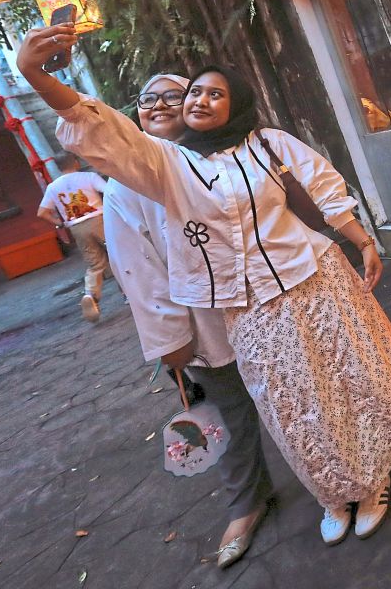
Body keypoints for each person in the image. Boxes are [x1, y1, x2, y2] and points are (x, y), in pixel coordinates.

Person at [17, 25, 391, 546]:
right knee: (289, 406)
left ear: (236, 105)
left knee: (343, 385)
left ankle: (372, 482)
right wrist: (32, 74)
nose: (199, 100)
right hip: (247, 308)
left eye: (214, 92)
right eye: (193, 93)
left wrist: (363, 240)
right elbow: (102, 130)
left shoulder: (269, 143)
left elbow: (323, 185)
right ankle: (331, 492)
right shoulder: (168, 165)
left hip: (313, 280)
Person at [103, 73, 273, 568]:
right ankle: (247, 502)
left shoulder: (229, 154)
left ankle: (339, 473)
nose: (157, 105)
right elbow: (137, 266)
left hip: (265, 303)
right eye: (146, 98)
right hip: (201, 322)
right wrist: (170, 338)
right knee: (230, 413)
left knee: (300, 395)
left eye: (171, 96)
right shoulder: (125, 182)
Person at [37, 153, 109, 322]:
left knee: (95, 264)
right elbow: (110, 192)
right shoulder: (88, 176)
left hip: (76, 227)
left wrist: (59, 224)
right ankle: (129, 294)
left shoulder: (53, 187)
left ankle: (91, 295)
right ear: (76, 162)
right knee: (118, 256)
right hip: (100, 221)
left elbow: (42, 213)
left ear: (58, 167)